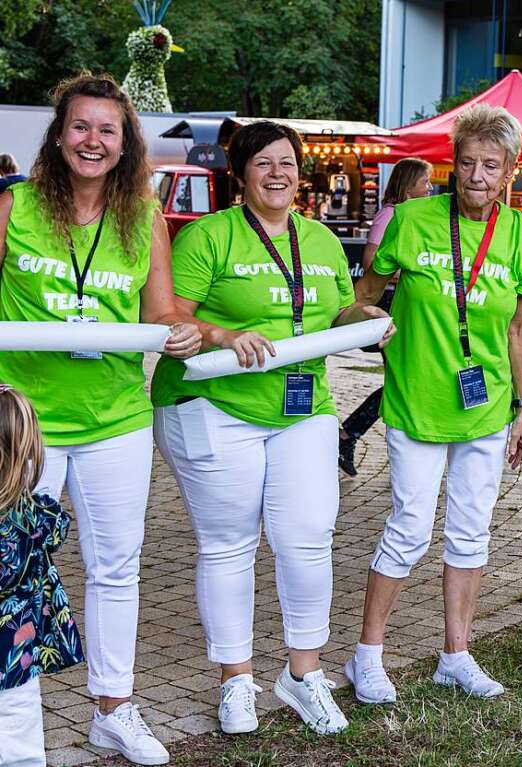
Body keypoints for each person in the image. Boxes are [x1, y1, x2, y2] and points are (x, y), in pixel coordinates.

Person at [151, 120, 391, 735]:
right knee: (229, 542)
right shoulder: (209, 235)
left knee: (308, 536)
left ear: (300, 171)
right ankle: (235, 681)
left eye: (287, 162)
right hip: (212, 405)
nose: (277, 173)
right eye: (263, 163)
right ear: (241, 173)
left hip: (301, 405)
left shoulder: (319, 239)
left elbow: (338, 306)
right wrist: (226, 335)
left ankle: (302, 674)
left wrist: (362, 315)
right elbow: (172, 313)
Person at [0, 73, 201, 766]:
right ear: (59, 135)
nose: (93, 140)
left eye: (107, 130)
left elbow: (161, 311)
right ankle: (13, 723)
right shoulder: (14, 205)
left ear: (125, 143)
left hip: (116, 418)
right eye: (80, 126)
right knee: (13, 570)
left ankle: (113, 708)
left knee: (115, 568)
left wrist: (194, 331)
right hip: (26, 428)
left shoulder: (142, 216)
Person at [343, 103, 522, 704]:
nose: (477, 175)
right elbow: (364, 298)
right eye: (467, 162)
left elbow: (517, 325)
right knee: (408, 528)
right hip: (417, 402)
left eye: (491, 164)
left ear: (509, 170)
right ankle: (365, 655)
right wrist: (364, 318)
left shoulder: (521, 234)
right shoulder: (411, 220)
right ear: (453, 165)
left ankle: (456, 654)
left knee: (472, 533)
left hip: (486, 407)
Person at [0, 385, 83, 767]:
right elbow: (59, 528)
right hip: (18, 654)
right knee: (19, 735)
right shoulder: (36, 516)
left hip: (15, 651)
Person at [338, 157, 432, 476]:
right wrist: (409, 270)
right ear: (409, 185)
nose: (430, 188)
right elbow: (371, 261)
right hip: (391, 304)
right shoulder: (391, 216)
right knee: (400, 378)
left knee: (404, 377)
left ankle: (351, 434)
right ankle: (349, 433)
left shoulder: (417, 218)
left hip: (405, 304)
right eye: (425, 182)